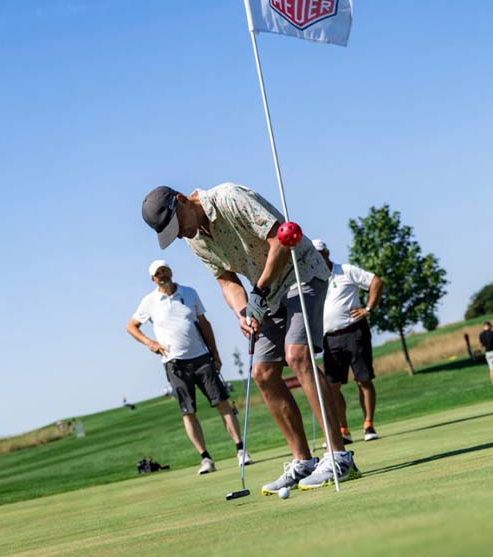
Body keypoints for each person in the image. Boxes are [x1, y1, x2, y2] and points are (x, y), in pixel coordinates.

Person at [141, 184, 360, 493]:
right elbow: (226, 279)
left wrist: (258, 292)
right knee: (263, 373)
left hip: (300, 274)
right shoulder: (196, 241)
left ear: (182, 201)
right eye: (172, 233)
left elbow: (280, 240)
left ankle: (340, 457)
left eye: (178, 226)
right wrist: (243, 311)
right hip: (266, 296)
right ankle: (303, 461)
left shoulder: (230, 197)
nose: (180, 235)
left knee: (297, 356)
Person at [127, 260, 252, 475]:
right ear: (153, 279)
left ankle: (241, 450)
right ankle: (205, 458)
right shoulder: (149, 301)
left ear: (171, 271)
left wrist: (215, 354)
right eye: (158, 273)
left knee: (222, 403)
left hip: (202, 357)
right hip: (174, 363)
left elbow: (204, 324)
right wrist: (151, 343)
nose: (163, 275)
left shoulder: (189, 292)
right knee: (188, 412)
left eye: (165, 270)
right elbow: (131, 327)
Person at [312, 239, 384, 442]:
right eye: (315, 254)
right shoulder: (311, 279)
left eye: (321, 253)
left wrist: (368, 308)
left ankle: (368, 424)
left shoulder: (346, 270)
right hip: (329, 339)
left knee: (363, 380)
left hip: (355, 332)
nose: (318, 257)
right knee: (332, 386)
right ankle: (343, 429)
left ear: (326, 252)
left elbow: (376, 282)